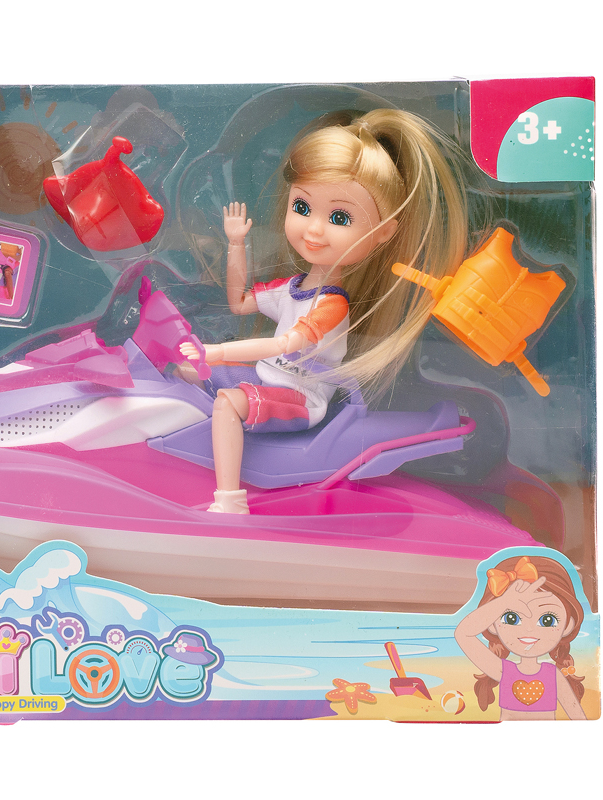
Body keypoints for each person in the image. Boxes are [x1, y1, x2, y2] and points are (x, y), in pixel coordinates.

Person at [180, 108, 468, 513]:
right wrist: (235, 245)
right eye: (302, 207)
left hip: (300, 398)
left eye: (338, 217)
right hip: (266, 375)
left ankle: (229, 500)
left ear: (384, 232)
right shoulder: (292, 288)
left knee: (227, 401)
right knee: (184, 371)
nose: (314, 229)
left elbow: (284, 344)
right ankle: (183, 461)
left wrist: (217, 352)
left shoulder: (331, 305)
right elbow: (239, 303)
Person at [454, 555, 586, 720]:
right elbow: (463, 634)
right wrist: (503, 603)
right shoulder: (503, 671)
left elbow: (578, 717)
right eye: (511, 618)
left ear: (568, 625)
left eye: (547, 620)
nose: (529, 629)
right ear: (492, 624)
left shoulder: (553, 676)